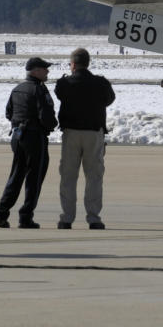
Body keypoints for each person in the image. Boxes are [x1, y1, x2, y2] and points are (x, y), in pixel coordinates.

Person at [55, 48, 116, 230]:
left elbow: (59, 94)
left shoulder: (65, 83)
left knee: (68, 176)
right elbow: (109, 99)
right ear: (88, 63)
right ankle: (93, 217)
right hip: (93, 133)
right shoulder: (101, 83)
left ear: (73, 64)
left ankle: (67, 218)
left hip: (71, 133)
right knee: (94, 177)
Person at [0, 57, 58, 229]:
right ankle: (26, 216)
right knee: (34, 178)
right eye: (44, 69)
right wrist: (51, 125)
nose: (47, 71)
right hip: (34, 137)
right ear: (35, 71)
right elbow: (46, 116)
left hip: (17, 136)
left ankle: (2, 212)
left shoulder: (17, 89)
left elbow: (9, 113)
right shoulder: (39, 90)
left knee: (16, 175)